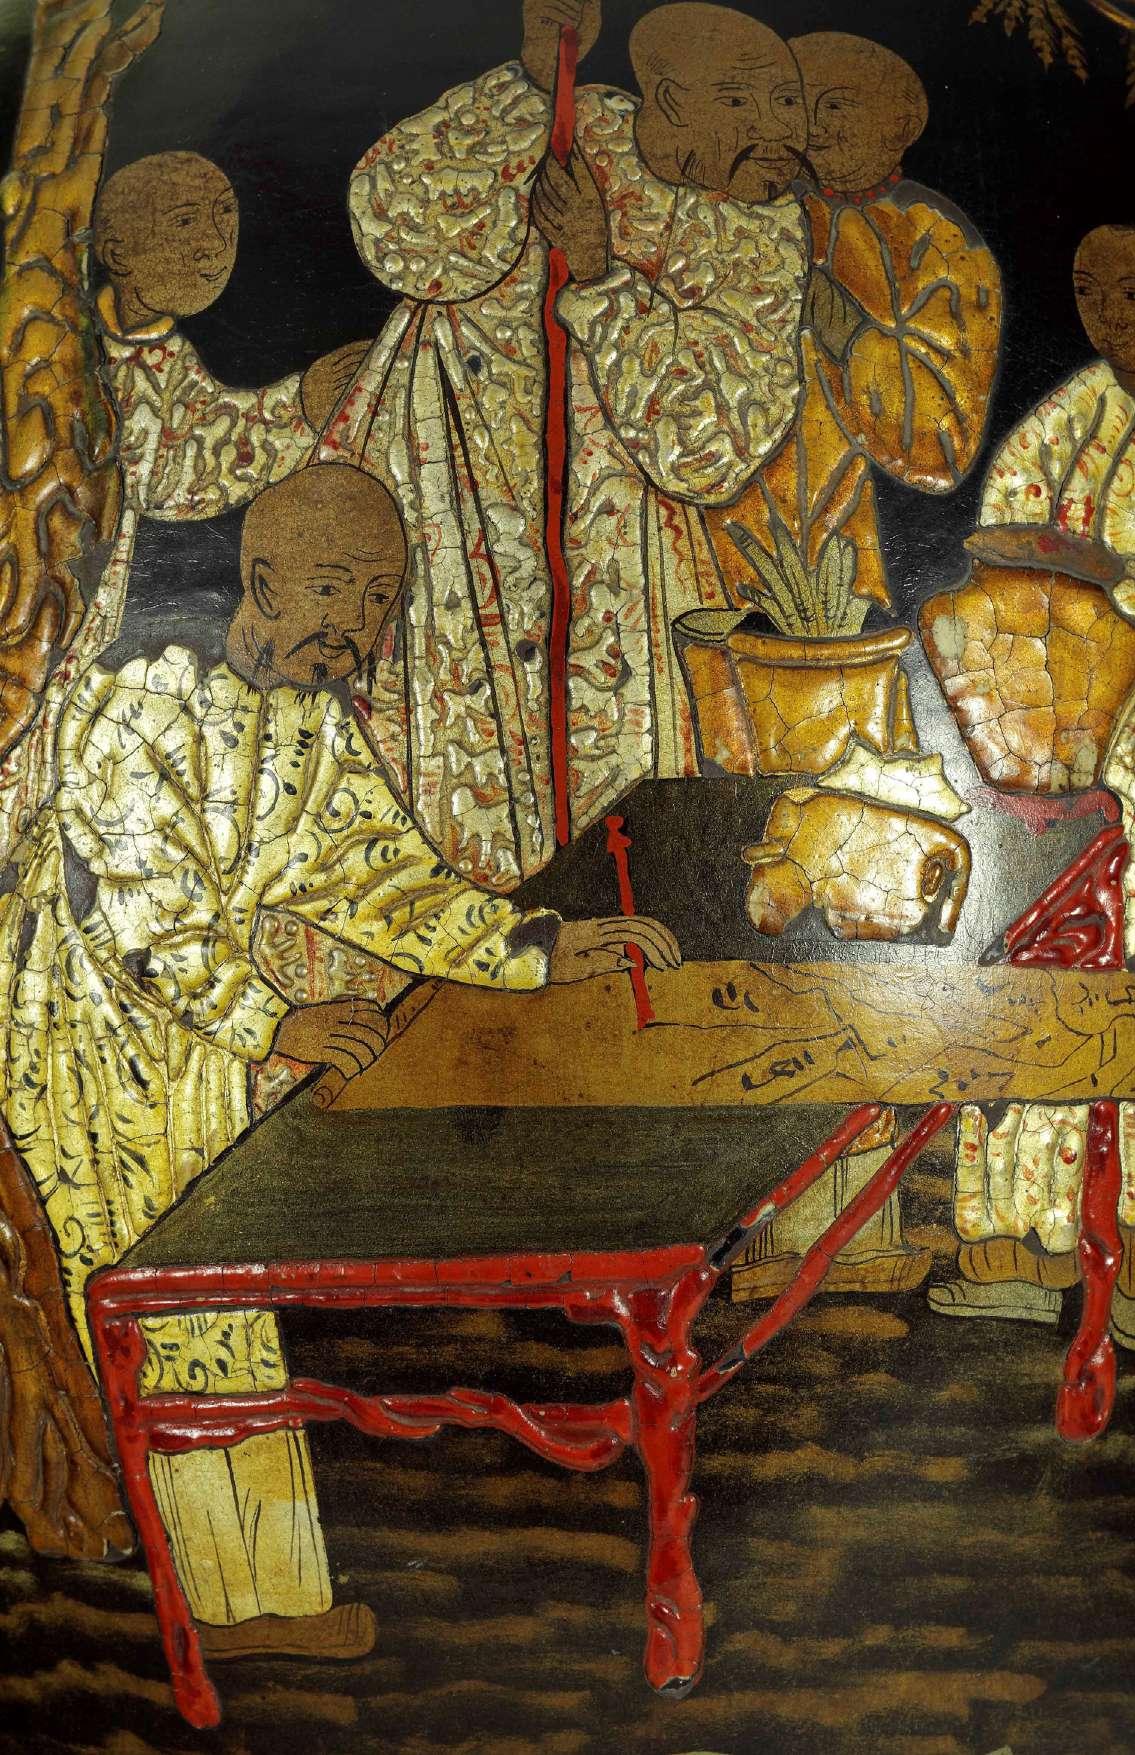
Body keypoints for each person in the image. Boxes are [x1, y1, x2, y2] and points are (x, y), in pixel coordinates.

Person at [0, 462, 679, 1659]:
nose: (354, 622)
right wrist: (273, 1024)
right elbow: (140, 906)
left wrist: (532, 948)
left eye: (377, 598)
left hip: (195, 1042)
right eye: (332, 588)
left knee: (220, 1303)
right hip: (81, 1037)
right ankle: (214, 1607)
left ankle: (262, 1599)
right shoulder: (142, 698)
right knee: (161, 1303)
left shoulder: (311, 718)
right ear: (261, 582)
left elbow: (382, 877)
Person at [325, 0, 809, 891]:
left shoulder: (765, 232)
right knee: (453, 791)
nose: (780, 133)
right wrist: (527, 81)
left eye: (789, 105)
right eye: (744, 103)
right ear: (669, 99)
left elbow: (709, 448)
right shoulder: (563, 127)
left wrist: (600, 274)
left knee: (610, 815)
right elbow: (396, 229)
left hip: (620, 555)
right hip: (458, 502)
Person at [722, 33, 1002, 1303]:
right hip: (714, 590)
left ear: (897, 125)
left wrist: (832, 305)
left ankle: (847, 1225)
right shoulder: (731, 214)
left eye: (830, 106)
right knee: (727, 891)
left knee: (852, 894)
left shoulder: (926, 243)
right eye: (793, 101)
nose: (802, 125)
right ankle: (724, 1220)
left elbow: (933, 440)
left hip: (842, 616)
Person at [930, 227, 1135, 1351]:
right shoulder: (1063, 417)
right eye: (1089, 292)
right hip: (1049, 740)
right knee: (1035, 970)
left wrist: (1125, 582)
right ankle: (1019, 1255)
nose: (1114, 311)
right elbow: (995, 537)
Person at [0, 150, 363, 866]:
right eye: (187, 221)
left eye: (225, 219)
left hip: (75, 616)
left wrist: (301, 406)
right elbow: (169, 461)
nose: (212, 243)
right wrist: (297, 409)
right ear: (117, 251)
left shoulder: (159, 352)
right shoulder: (63, 345)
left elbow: (193, 456)